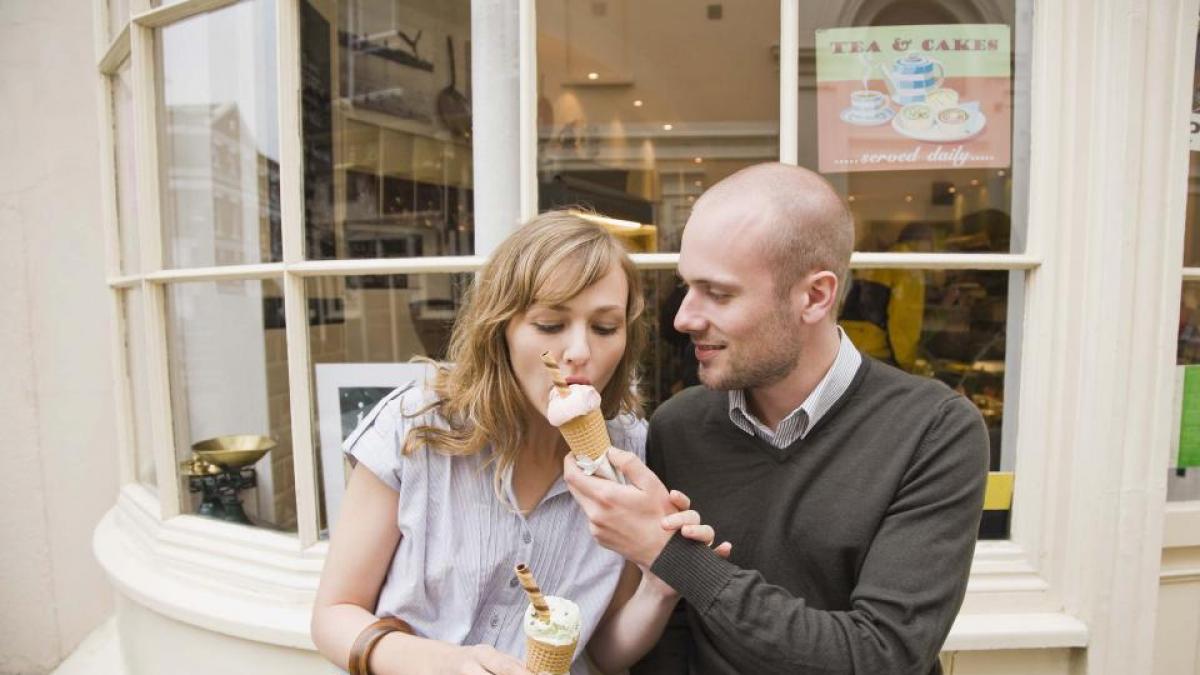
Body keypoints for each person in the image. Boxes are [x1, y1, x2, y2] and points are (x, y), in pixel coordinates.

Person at [563, 164, 990, 674]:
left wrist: (670, 555)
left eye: (718, 294)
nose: (683, 318)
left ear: (814, 296)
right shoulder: (679, 426)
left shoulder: (935, 431)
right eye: (686, 287)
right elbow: (672, 643)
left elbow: (881, 657)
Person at [310, 211, 720, 675]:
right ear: (500, 327)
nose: (580, 352)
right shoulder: (415, 428)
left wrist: (661, 584)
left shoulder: (631, 454)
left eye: (605, 328)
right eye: (549, 325)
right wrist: (448, 665)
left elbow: (603, 652)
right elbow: (334, 615)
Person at [840, 221, 934, 372]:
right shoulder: (907, 265)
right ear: (924, 242)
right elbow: (904, 319)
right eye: (932, 242)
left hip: (850, 347)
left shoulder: (883, 260)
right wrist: (907, 363)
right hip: (879, 353)